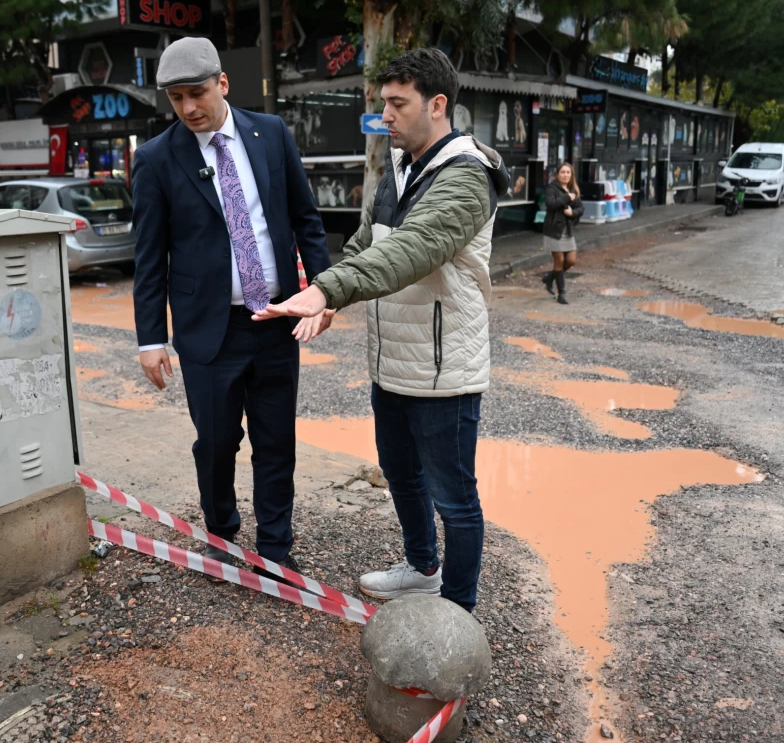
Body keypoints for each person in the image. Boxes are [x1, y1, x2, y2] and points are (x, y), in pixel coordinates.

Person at [255, 48, 510, 612]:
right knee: (400, 473)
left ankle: (457, 613)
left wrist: (326, 291)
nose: (385, 116)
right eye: (383, 103)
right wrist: (328, 297)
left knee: (455, 498)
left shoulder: (467, 176)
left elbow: (415, 250)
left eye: (397, 104)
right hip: (392, 361)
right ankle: (422, 568)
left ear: (437, 105)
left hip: (445, 370)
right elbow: (367, 245)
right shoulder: (396, 167)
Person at [131, 37, 331, 574]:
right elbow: (149, 258)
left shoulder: (272, 135)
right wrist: (150, 339)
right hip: (207, 332)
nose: (189, 107)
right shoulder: (155, 160)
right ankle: (221, 533)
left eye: (197, 93)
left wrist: (324, 292)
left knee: (276, 442)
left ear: (222, 83)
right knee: (216, 444)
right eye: (176, 99)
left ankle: (275, 550)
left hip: (276, 322)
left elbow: (307, 221)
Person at [539, 162, 583, 305]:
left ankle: (550, 277)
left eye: (568, 172)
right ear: (557, 174)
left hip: (567, 231)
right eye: (563, 172)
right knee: (560, 261)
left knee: (571, 260)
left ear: (571, 175)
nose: (565, 175)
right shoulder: (552, 188)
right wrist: (567, 198)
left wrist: (572, 212)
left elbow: (581, 209)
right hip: (553, 230)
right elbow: (550, 204)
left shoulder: (573, 189)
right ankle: (562, 293)